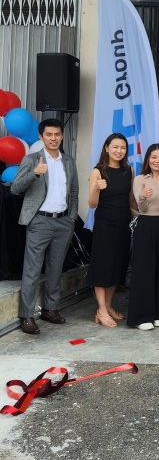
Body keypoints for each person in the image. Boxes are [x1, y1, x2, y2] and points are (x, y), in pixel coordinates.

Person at [11, 118, 79, 334]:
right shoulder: (31, 159)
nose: (53, 138)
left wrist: (72, 217)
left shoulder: (69, 161)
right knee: (32, 270)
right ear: (41, 137)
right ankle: (27, 316)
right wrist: (34, 173)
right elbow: (14, 188)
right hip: (39, 220)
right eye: (49, 134)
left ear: (62, 136)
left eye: (57, 134)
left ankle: (50, 309)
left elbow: (74, 192)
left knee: (55, 268)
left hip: (63, 221)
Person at [87, 133, 136, 327]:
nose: (119, 151)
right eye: (115, 147)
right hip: (105, 225)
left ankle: (108, 306)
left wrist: (144, 213)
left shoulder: (129, 171)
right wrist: (96, 188)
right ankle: (101, 309)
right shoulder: (98, 171)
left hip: (123, 224)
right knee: (103, 266)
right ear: (106, 148)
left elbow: (131, 200)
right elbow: (92, 204)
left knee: (117, 265)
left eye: (123, 148)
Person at [127, 144, 159, 331]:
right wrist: (143, 196)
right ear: (148, 159)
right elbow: (142, 209)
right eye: (154, 157)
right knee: (144, 270)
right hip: (147, 224)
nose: (157, 161)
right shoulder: (140, 179)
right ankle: (142, 316)